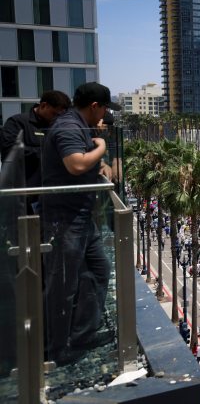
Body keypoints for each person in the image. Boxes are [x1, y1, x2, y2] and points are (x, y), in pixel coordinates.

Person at [41, 82, 121, 366]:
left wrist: (101, 163)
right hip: (65, 220)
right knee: (63, 285)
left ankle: (83, 333)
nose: (105, 115)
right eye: (105, 109)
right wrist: (100, 146)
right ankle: (56, 349)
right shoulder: (68, 127)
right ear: (95, 106)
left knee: (100, 270)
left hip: (83, 216)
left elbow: (85, 164)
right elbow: (75, 164)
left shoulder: (77, 126)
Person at [0, 90, 71, 186]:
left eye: (61, 116)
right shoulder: (17, 122)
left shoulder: (58, 126)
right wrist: (47, 153)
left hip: (50, 188)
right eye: (54, 114)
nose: (57, 119)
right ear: (43, 106)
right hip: (24, 188)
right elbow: (10, 151)